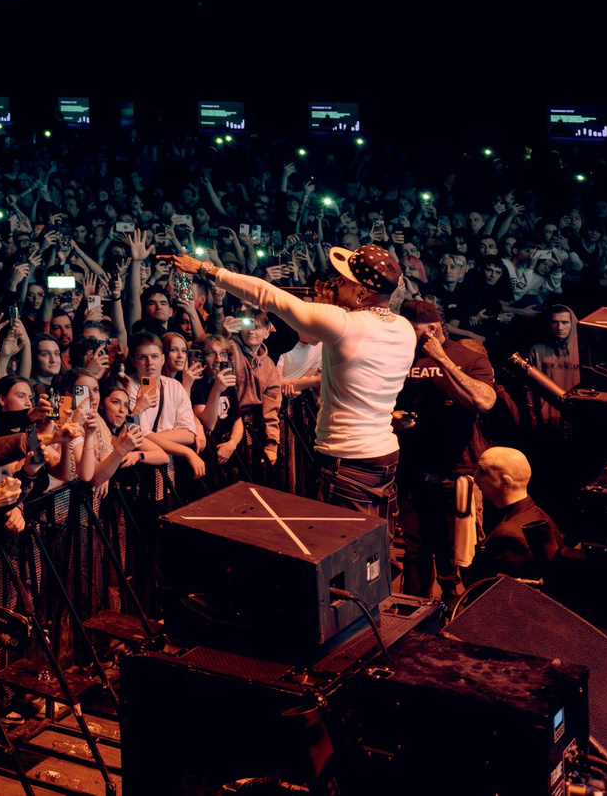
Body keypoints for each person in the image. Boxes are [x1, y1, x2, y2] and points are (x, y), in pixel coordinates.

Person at [163, 243, 415, 518]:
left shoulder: (344, 324)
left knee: (344, 543)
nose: (335, 283)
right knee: (373, 543)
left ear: (362, 293)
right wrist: (334, 304)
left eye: (344, 281)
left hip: (348, 459)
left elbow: (267, 295)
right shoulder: (404, 328)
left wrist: (205, 268)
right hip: (385, 454)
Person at [392, 301, 500, 601]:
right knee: (415, 550)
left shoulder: (467, 356)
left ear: (432, 329)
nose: (404, 336)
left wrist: (442, 359)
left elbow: (485, 401)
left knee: (459, 552)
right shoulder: (399, 357)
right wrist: (393, 417)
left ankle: (466, 615)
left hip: (456, 471)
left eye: (410, 330)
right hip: (412, 468)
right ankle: (413, 615)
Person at [467, 448, 560, 581]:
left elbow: (494, 595)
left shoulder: (509, 538)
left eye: (483, 472)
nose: (475, 477)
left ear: (506, 482)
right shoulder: (536, 514)